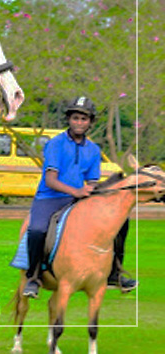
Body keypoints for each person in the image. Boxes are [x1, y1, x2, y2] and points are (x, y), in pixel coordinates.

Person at [22, 96, 136, 298]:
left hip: (78, 199)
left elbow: (92, 180)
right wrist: (77, 191)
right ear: (69, 119)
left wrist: (93, 192)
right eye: (75, 118)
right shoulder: (55, 144)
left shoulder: (94, 150)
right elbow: (50, 180)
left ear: (90, 122)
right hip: (49, 198)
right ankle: (33, 277)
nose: (79, 122)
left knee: (120, 222)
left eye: (84, 119)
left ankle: (114, 273)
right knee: (38, 230)